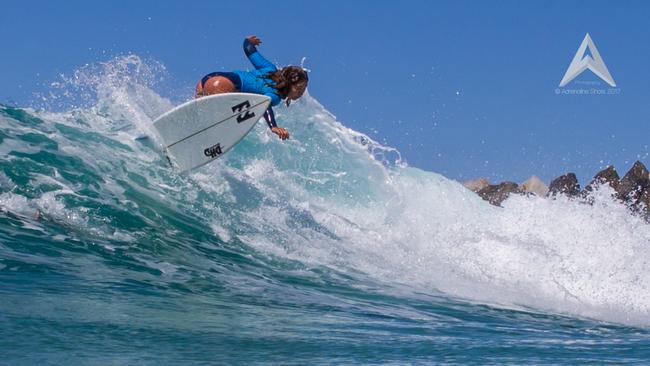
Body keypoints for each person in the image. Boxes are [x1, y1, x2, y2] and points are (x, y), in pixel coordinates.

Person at [195, 35, 309, 141]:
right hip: (224, 85)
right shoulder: (276, 95)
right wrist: (273, 126)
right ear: (289, 84)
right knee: (215, 124)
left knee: (198, 115)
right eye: (299, 89)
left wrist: (249, 41)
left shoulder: (269, 68)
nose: (301, 93)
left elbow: (248, 49)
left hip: (209, 79)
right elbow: (266, 104)